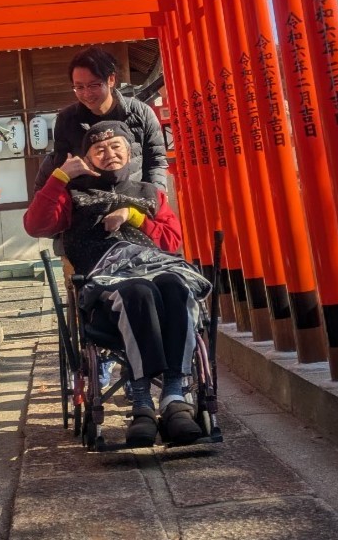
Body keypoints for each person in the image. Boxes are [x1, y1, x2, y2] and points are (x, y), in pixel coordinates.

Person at [24, 121, 209, 447]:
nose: (109, 154)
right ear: (88, 157)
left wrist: (133, 216)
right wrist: (61, 176)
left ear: (129, 151)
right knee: (139, 291)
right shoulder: (74, 196)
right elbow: (36, 224)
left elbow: (172, 242)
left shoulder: (150, 194)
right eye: (99, 149)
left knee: (176, 286)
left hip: (156, 269)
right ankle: (141, 401)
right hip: (106, 284)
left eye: (116, 147)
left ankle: (174, 393)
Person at [34, 45, 168, 193]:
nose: (87, 93)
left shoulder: (141, 113)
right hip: (90, 208)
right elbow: (63, 166)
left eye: (93, 85)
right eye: (79, 87)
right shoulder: (66, 120)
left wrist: (153, 201)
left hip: (134, 205)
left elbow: (155, 164)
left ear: (111, 79)